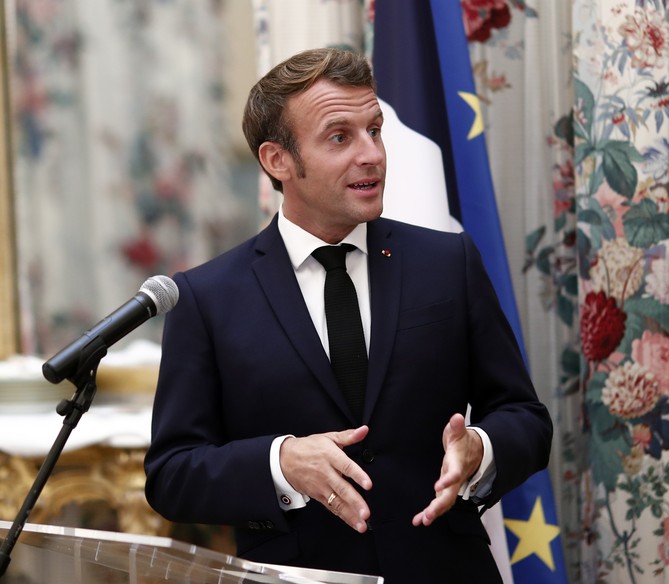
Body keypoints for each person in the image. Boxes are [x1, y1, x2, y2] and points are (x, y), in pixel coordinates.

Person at [144, 47, 552, 583]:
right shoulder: (206, 296)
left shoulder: (448, 262)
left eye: (375, 130)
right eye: (341, 137)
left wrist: (481, 448)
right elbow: (172, 474)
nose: (373, 155)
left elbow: (525, 417)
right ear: (278, 160)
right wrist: (279, 462)